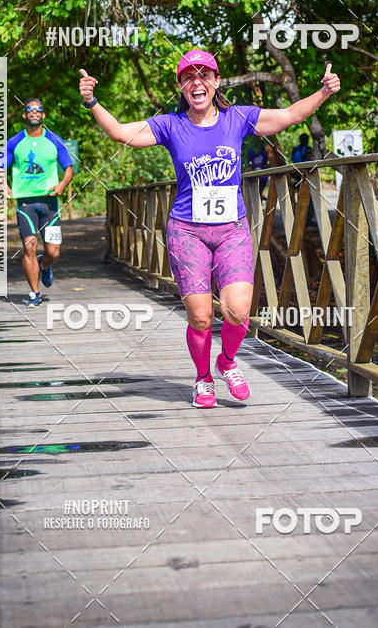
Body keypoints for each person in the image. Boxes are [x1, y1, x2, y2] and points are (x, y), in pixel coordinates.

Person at [78, 50, 340, 407]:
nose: (196, 82)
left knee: (238, 311)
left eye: (204, 75)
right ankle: (203, 379)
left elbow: (291, 115)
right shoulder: (170, 125)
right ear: (181, 87)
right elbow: (120, 133)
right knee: (200, 317)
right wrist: (92, 101)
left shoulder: (238, 119)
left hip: (231, 229)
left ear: (216, 82)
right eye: (188, 77)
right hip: (187, 232)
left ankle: (227, 361)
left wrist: (323, 92)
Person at [0, 98, 74, 306]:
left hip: (50, 204)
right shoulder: (14, 142)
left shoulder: (55, 141)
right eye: (29, 110)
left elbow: (69, 168)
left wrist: (61, 186)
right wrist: (4, 185)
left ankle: (45, 265)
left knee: (53, 251)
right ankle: (35, 293)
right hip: (25, 203)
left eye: (38, 110)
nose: (33, 113)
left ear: (43, 115)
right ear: (24, 115)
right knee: (29, 246)